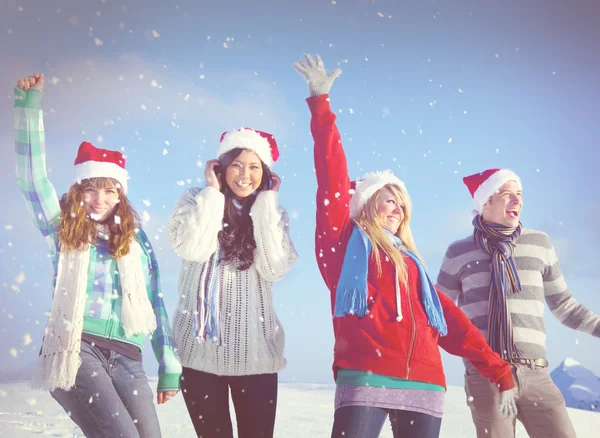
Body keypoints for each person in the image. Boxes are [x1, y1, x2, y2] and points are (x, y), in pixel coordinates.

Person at [294, 54, 518, 438]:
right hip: (365, 377)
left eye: (402, 202)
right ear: (366, 205)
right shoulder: (343, 246)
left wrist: (498, 369)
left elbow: (451, 323)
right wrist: (321, 105)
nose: (397, 208)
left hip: (426, 386)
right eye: (388, 199)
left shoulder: (413, 265)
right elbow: (331, 179)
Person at [14, 73, 182, 438]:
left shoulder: (136, 243)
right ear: (78, 192)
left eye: (109, 190)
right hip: (77, 347)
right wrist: (29, 111)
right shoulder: (64, 230)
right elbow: (32, 182)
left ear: (120, 195)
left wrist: (169, 362)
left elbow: (155, 301)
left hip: (128, 357)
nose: (99, 199)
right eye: (90, 189)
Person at [436, 168, 600, 437]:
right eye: (506, 194)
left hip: (535, 372)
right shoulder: (459, 252)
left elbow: (564, 305)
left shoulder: (539, 243)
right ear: (486, 201)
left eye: (519, 194)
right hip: (487, 374)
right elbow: (438, 312)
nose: (517, 201)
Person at [167, 127, 298, 437]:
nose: (245, 174)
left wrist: (265, 206)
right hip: (199, 354)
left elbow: (274, 267)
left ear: (265, 173)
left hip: (256, 357)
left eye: (254, 167)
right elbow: (192, 247)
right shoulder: (195, 199)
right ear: (221, 166)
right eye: (237, 164)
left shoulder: (273, 214)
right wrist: (211, 193)